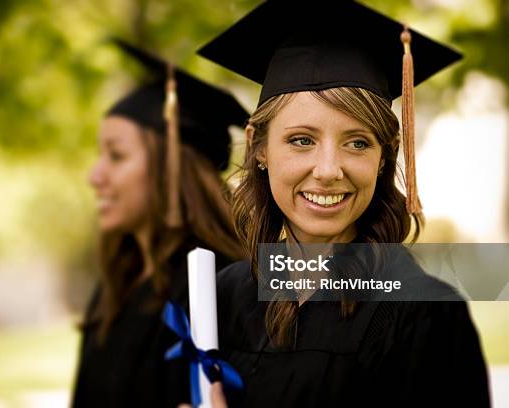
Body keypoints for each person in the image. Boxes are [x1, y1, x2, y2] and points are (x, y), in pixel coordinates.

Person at [196, 0, 491, 406]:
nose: (329, 169)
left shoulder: (424, 315)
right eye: (302, 140)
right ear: (258, 147)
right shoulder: (223, 298)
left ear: (384, 156)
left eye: (357, 143)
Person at [71, 39, 248, 407]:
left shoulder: (221, 288)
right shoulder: (116, 282)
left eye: (116, 155)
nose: (95, 175)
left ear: (172, 168)